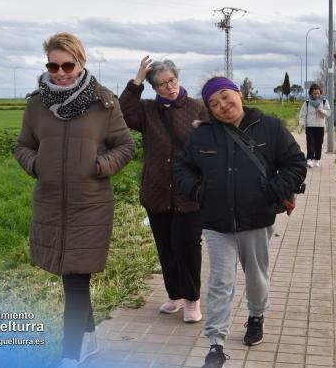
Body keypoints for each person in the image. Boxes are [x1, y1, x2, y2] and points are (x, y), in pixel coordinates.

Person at [14, 32, 135, 368]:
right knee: (72, 276)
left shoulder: (104, 102)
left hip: (91, 205)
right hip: (51, 203)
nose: (60, 71)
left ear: (81, 63)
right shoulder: (36, 104)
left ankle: (69, 354)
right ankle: (91, 341)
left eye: (68, 64)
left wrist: (99, 165)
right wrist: (36, 165)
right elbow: (22, 146)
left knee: (77, 277)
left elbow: (126, 147)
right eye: (53, 64)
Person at [174, 77, 307, 368]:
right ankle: (216, 344)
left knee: (257, 278)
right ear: (209, 109)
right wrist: (197, 191)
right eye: (213, 103)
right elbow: (182, 166)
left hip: (257, 220)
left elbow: (296, 163)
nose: (222, 105)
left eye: (225, 96)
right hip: (216, 222)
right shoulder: (203, 135)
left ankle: (256, 316)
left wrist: (274, 191)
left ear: (239, 93)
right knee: (220, 281)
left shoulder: (270, 127)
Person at [118, 56, 209, 323]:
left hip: (190, 192)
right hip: (157, 190)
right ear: (154, 88)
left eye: (172, 80)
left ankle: (192, 299)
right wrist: (136, 82)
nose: (169, 87)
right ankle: (174, 295)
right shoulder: (147, 111)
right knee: (166, 246)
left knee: (188, 246)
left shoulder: (197, 108)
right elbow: (123, 113)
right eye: (161, 84)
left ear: (178, 78)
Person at [299, 83, 331, 168]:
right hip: (310, 126)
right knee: (310, 143)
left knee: (319, 143)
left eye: (318, 93)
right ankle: (309, 159)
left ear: (320, 93)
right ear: (311, 93)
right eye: (314, 93)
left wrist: (322, 112)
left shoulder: (324, 101)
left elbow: (328, 113)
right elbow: (302, 114)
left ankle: (317, 160)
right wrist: (302, 124)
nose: (316, 95)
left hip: (320, 126)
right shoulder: (307, 103)